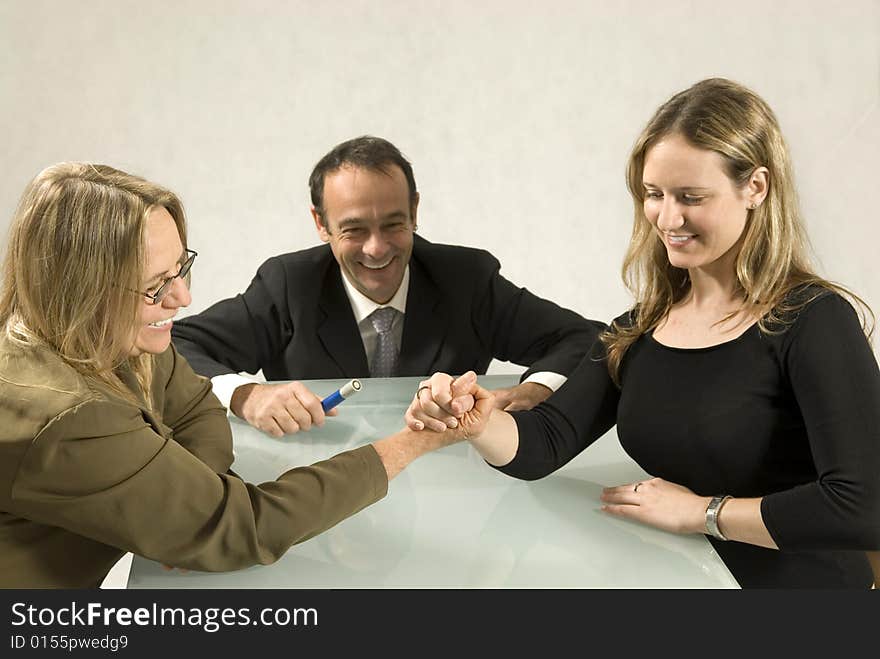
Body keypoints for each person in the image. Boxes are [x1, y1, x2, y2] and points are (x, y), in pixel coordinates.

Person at [406, 78, 880, 588]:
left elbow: (863, 505)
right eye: (654, 194)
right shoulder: (641, 328)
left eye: (691, 196)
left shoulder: (814, 319)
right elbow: (543, 443)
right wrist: (475, 422)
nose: (667, 217)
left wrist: (703, 514)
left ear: (756, 188)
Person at [0, 163, 490, 588]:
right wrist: (412, 442)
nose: (182, 300)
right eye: (155, 287)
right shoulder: (72, 418)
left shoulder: (106, 333)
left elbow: (193, 406)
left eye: (180, 270)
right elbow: (242, 527)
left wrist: (189, 508)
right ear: (79, 290)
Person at [171, 136, 603, 437]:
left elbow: (586, 337)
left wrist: (536, 389)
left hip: (447, 490)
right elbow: (179, 344)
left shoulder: (465, 279)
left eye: (393, 224)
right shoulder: (288, 285)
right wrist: (246, 396)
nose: (376, 249)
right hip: (321, 494)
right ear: (321, 224)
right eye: (354, 230)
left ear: (415, 210)